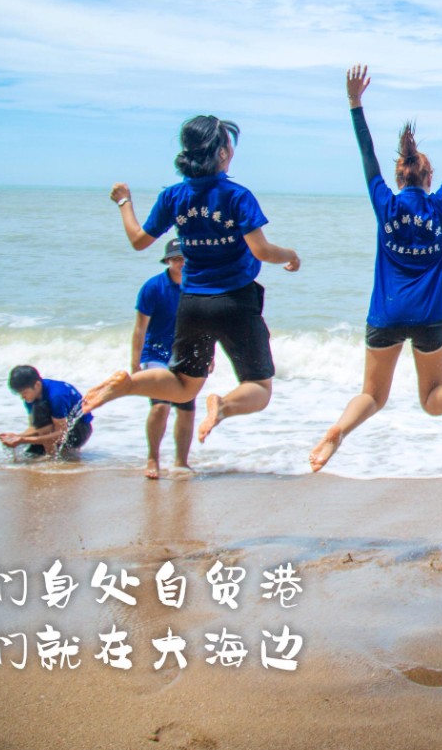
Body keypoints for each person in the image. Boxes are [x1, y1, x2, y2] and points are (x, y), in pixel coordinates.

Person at [309, 65, 442, 472]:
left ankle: (339, 430)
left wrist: (355, 104)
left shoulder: (386, 204)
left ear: (398, 179)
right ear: (429, 177)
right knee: (432, 399)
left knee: (373, 396)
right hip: (431, 317)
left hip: (386, 314)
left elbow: (367, 155)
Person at [81, 115, 301, 442]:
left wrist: (124, 202)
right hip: (235, 301)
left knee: (184, 387)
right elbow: (262, 251)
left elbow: (139, 241)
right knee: (259, 386)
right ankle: (222, 406)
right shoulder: (237, 196)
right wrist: (291, 255)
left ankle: (128, 385)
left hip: (192, 303)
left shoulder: (173, 196)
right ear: (222, 153)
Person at [132, 238, 196, 479]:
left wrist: (208, 354)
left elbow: (205, 323)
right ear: (168, 261)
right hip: (156, 354)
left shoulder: (197, 285)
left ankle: (181, 462)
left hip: (187, 354)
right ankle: (153, 458)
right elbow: (140, 328)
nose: (182, 263)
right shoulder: (153, 287)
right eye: (177, 259)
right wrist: (135, 363)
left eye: (185, 258)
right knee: (161, 406)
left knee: (186, 409)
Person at [0, 365, 92, 457]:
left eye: (24, 393)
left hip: (79, 429)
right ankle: (53, 454)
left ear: (37, 385)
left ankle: (52, 456)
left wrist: (23, 440)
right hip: (59, 427)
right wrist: (17, 437)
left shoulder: (57, 396)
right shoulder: (31, 395)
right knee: (30, 455)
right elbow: (34, 427)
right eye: (19, 393)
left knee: (40, 411)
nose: (22, 397)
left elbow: (61, 434)